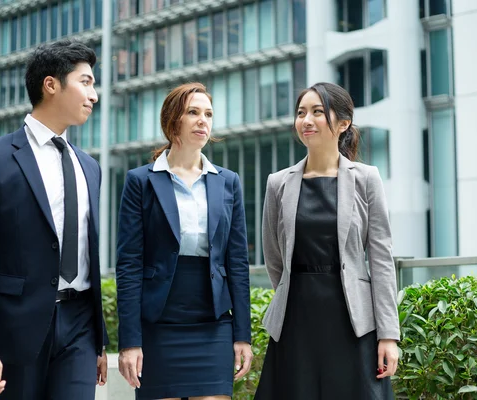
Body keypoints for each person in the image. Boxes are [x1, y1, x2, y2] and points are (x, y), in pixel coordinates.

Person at [0, 40, 108, 399]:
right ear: (51, 84)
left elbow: (87, 252)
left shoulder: (90, 167)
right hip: (16, 329)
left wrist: (99, 339)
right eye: (85, 82)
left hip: (80, 327)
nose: (94, 95)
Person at [255, 82, 400, 399]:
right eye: (300, 113)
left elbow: (381, 260)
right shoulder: (278, 184)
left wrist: (388, 335)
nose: (306, 120)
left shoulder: (366, 179)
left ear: (343, 123)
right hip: (296, 319)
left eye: (317, 112)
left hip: (353, 320)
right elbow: (274, 258)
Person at [115, 82, 253, 400]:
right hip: (158, 324)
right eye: (193, 112)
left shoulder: (228, 182)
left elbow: (237, 264)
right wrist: (129, 341)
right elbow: (129, 265)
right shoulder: (141, 181)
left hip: (214, 324)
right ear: (173, 119)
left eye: (208, 113)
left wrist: (242, 335)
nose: (203, 120)